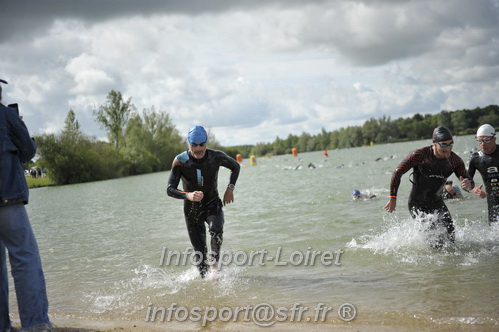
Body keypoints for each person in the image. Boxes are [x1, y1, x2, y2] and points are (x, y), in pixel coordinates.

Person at [0, 79, 53, 331]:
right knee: (24, 259)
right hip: (7, 198)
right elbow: (28, 151)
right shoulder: (6, 115)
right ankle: (35, 324)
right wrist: (17, 120)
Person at [167, 126, 241, 278]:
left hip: (212, 202)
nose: (199, 148)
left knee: (217, 229)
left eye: (202, 144)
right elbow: (170, 189)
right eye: (194, 145)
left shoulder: (216, 157)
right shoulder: (180, 161)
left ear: (206, 143)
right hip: (192, 210)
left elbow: (236, 166)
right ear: (189, 143)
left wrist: (230, 188)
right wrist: (188, 195)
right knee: (200, 257)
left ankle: (215, 264)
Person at [384, 126, 474, 247]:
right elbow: (397, 172)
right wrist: (393, 197)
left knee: (452, 238)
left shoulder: (455, 161)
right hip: (417, 203)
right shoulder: (420, 155)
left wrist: (468, 186)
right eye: (443, 145)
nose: (448, 148)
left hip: (437, 202)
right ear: (434, 143)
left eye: (451, 144)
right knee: (435, 241)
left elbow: (468, 182)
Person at [466, 124, 499, 224]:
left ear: (494, 139)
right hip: (493, 204)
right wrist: (473, 189)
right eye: (480, 140)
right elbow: (465, 183)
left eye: (486, 140)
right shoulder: (475, 158)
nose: (483, 144)